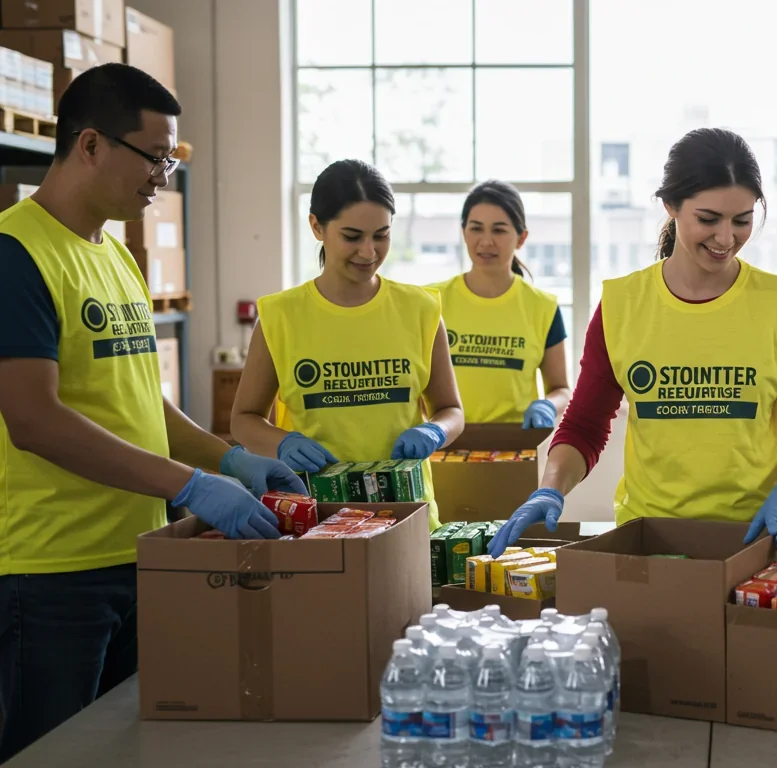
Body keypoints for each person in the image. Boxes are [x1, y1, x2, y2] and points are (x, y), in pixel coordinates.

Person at [0, 64, 300, 762]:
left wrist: (224, 456)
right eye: (155, 155)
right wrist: (187, 487)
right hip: (52, 573)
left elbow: (139, 398)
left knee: (125, 750)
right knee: (48, 754)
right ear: (92, 144)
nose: (163, 175)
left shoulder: (115, 255)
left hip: (138, 553)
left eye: (170, 159)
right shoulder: (17, 254)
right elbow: (33, 420)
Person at [486, 128, 777, 556]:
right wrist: (551, 488)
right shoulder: (623, 305)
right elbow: (583, 426)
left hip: (753, 540)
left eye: (742, 220)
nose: (726, 238)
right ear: (670, 205)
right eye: (708, 219)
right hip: (648, 540)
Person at [230, 159, 464, 529]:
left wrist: (434, 430)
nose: (369, 252)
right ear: (316, 227)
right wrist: (283, 441)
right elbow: (243, 420)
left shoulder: (420, 309)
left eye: (382, 235)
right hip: (316, 516)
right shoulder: (281, 316)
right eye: (352, 237)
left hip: (405, 512)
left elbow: (451, 410)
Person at [427, 181, 570, 430]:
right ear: (464, 232)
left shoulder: (543, 307)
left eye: (499, 230)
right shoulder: (430, 301)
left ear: (521, 238)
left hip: (514, 449)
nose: (486, 241)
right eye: (476, 228)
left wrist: (547, 405)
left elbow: (560, 389)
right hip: (444, 445)